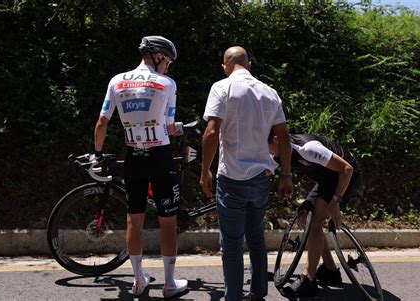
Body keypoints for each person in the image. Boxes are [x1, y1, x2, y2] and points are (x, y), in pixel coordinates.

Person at [91, 36, 187, 298]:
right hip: (160, 156)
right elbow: (168, 126)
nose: (167, 67)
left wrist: (97, 154)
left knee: (134, 218)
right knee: (168, 221)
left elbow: (102, 123)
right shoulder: (167, 84)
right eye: (167, 62)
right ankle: (168, 284)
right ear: (158, 56)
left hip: (133, 155)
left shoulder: (117, 81)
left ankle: (138, 281)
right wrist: (178, 129)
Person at [199, 46, 293, 301]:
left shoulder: (221, 88)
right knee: (256, 237)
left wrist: (205, 170)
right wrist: (286, 174)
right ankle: (258, 292)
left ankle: (233, 298)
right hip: (261, 178)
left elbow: (211, 131)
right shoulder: (269, 92)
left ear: (225, 67)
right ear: (249, 65)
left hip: (231, 177)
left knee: (231, 243)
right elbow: (283, 136)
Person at [268, 131, 363, 298]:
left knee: (317, 221)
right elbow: (263, 173)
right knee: (304, 217)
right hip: (327, 180)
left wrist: (335, 201)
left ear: (276, 140)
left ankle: (309, 279)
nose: (265, 152)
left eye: (265, 146)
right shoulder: (277, 154)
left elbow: (346, 169)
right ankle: (329, 270)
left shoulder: (308, 148)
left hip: (347, 176)